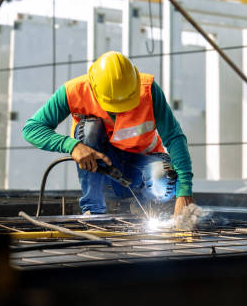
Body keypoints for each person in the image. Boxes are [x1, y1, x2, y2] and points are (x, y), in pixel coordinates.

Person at [22, 51, 194, 218]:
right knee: (89, 129)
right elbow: (32, 129)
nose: (123, 110)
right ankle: (94, 211)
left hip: (142, 165)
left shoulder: (148, 91)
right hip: (105, 170)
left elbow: (174, 137)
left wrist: (184, 192)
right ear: (94, 89)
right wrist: (72, 145)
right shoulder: (74, 91)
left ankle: (143, 207)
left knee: (163, 177)